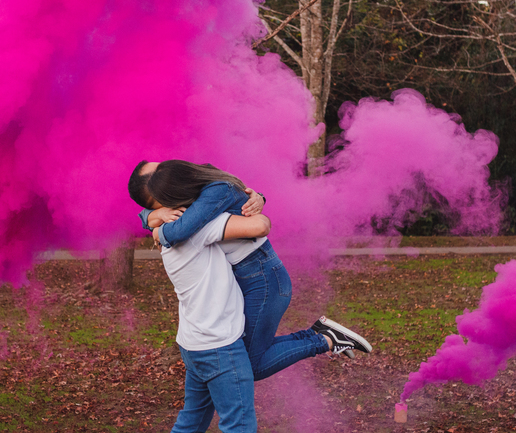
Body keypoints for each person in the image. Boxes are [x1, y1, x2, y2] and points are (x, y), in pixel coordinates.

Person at [128, 159, 372, 379]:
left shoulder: (212, 193)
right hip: (250, 280)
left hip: (264, 281)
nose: (162, 173)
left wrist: (157, 228)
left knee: (251, 365)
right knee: (244, 355)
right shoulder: (202, 192)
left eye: (160, 170)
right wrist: (151, 215)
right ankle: (321, 335)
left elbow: (180, 230)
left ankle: (325, 340)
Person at [131, 207, 276, 433]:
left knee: (191, 421)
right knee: (239, 431)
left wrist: (151, 215)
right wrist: (252, 199)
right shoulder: (200, 226)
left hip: (195, 342)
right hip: (219, 346)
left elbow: (148, 216)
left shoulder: (169, 229)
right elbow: (260, 225)